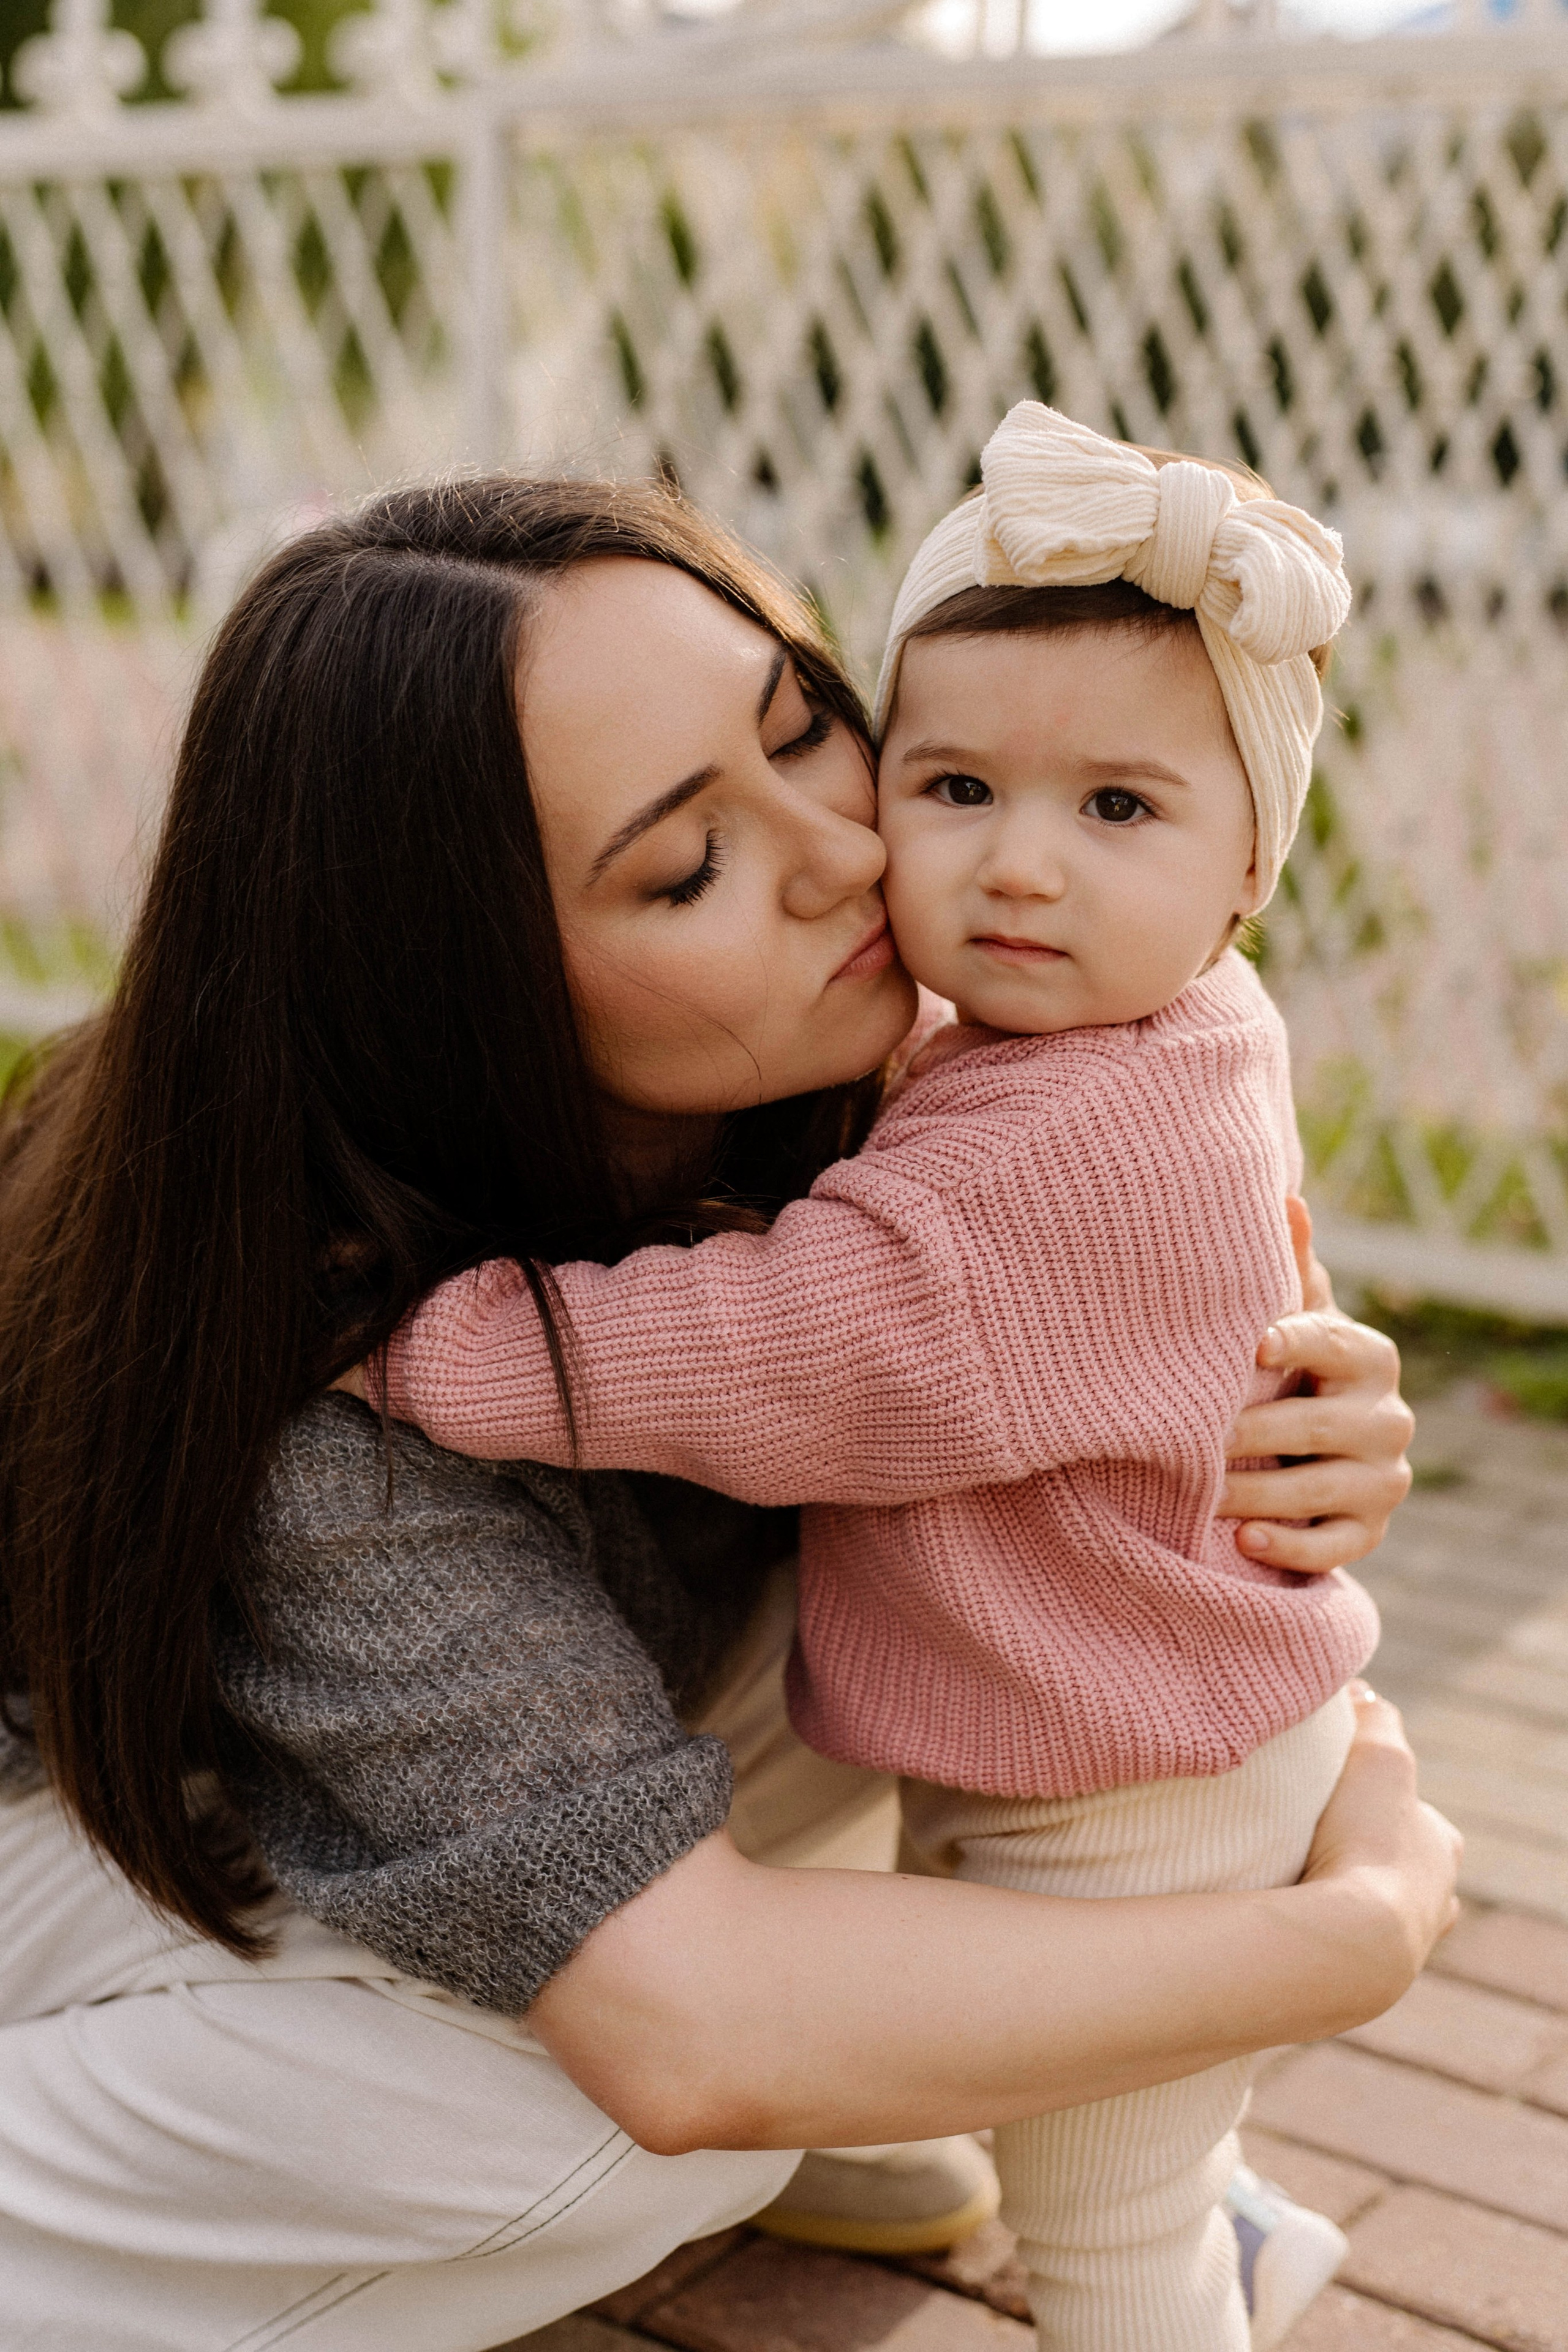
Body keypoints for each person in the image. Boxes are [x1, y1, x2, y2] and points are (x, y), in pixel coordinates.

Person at [0, 477, 1454, 2352]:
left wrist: (1288, 1378)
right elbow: (689, 2047)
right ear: (467, 992)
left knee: (957, 1592)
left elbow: (1117, 1224)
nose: (847, 858)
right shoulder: (324, 1383)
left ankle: (942, 2100)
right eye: (686, 869)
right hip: (90, 1824)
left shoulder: (845, 1050)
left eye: (804, 731)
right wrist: (1332, 1947)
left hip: (398, 1750)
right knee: (618, 2109)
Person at [345, 409, 1390, 2348]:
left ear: (1254, 863)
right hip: (1108, 1704)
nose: (1018, 873)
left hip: (1131, 1791)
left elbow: (776, 1348)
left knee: (1106, 2235)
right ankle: (1204, 2216)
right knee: (1111, 2127)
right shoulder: (1166, 1022)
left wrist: (420, 1345)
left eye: (1119, 813)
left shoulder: (1039, 1152)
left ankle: (1197, 2279)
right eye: (958, 782)